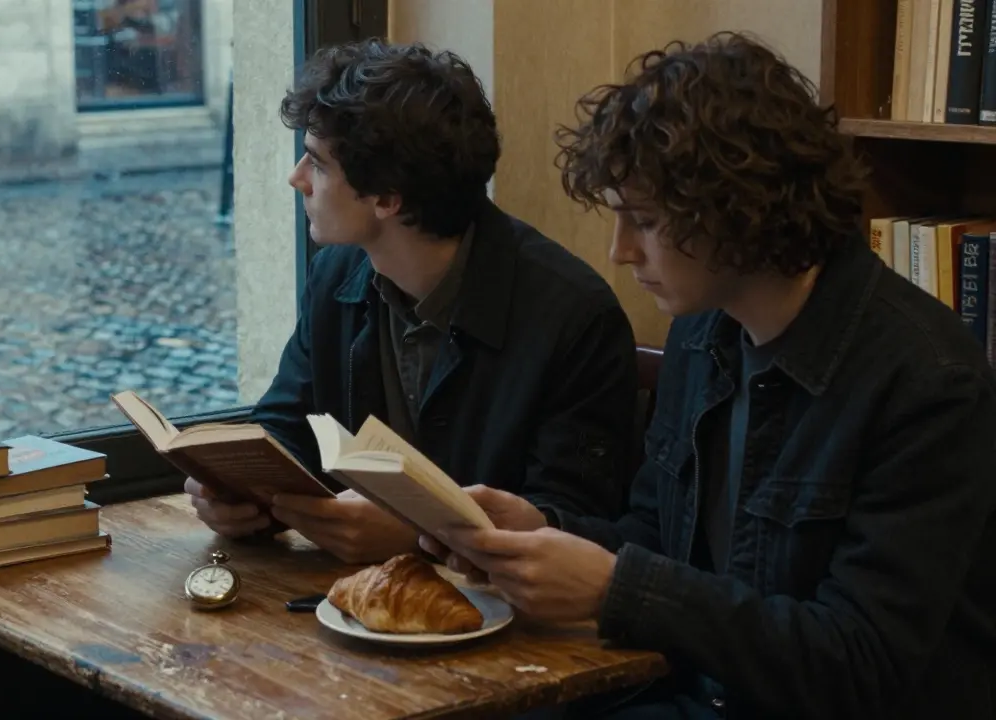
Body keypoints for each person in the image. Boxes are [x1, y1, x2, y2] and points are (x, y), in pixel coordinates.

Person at [424, 32, 996, 719]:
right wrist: (540, 530)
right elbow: (661, 538)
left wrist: (619, 590)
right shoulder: (703, 331)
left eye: (647, 221)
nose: (620, 251)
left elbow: (860, 661)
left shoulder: (928, 382)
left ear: (739, 208)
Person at [184, 39, 641, 564]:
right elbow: (289, 423)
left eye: (317, 163)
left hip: (504, 626)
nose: (297, 179)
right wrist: (234, 493)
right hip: (355, 602)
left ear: (387, 196)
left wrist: (417, 537)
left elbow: (577, 524)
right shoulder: (337, 272)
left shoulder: (574, 316)